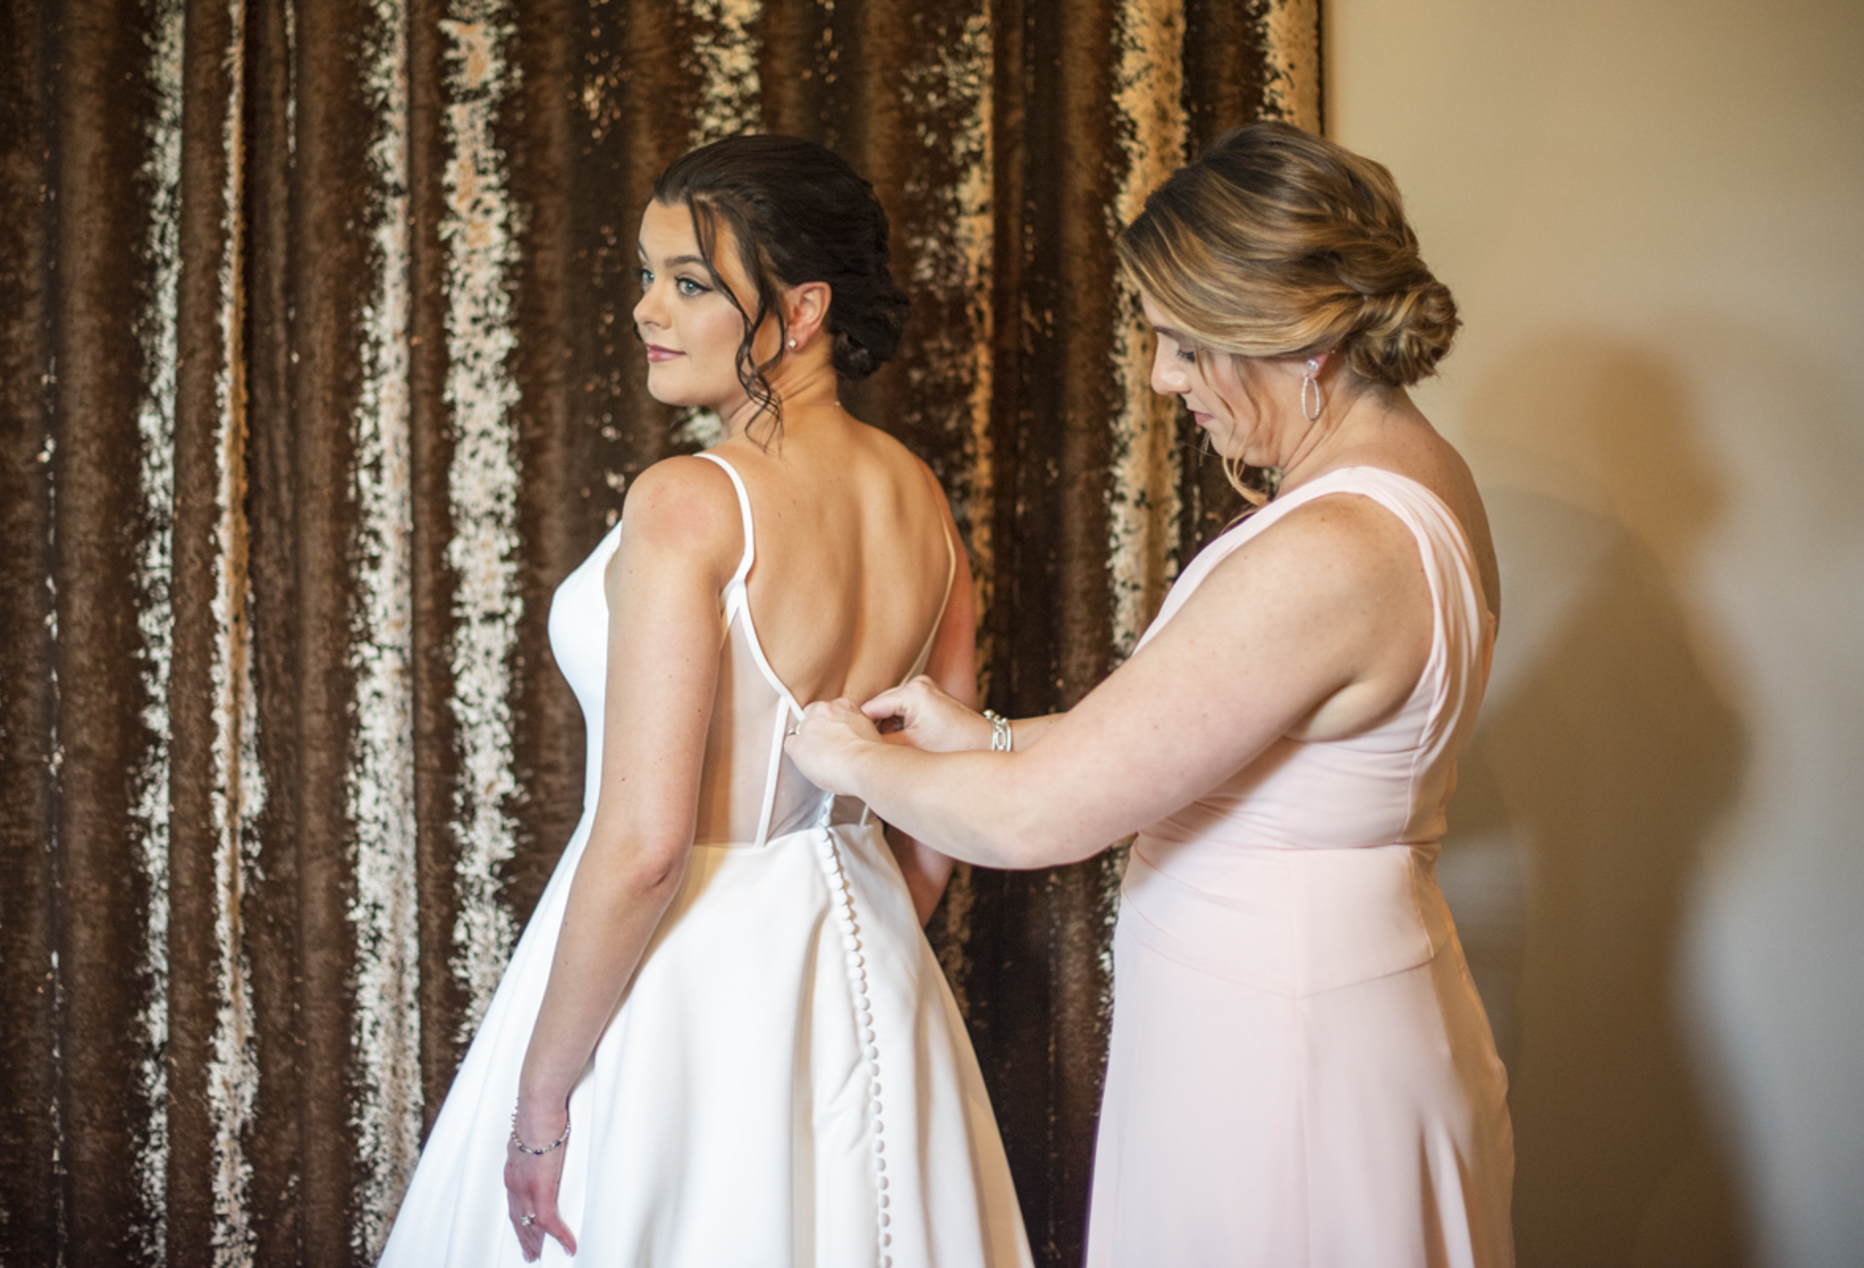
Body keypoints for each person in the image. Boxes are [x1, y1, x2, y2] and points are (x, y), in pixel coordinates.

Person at [788, 121, 1516, 1267]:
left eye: (1182, 342)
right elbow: (1212, 740)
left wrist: (846, 754)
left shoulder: (1331, 549)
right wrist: (977, 729)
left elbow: (1039, 820)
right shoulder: (1422, 481)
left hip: (1285, 1054)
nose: (1162, 376)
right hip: (1328, 996)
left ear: (1288, 335)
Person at [379, 135, 1031, 1268]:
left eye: (690, 283)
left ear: (805, 305)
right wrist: (847, 951)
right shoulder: (920, 497)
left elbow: (642, 848)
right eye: (644, 274)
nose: (648, 310)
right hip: (868, 959)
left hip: (682, 977)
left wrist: (540, 1101)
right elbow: (945, 797)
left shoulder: (689, 499)